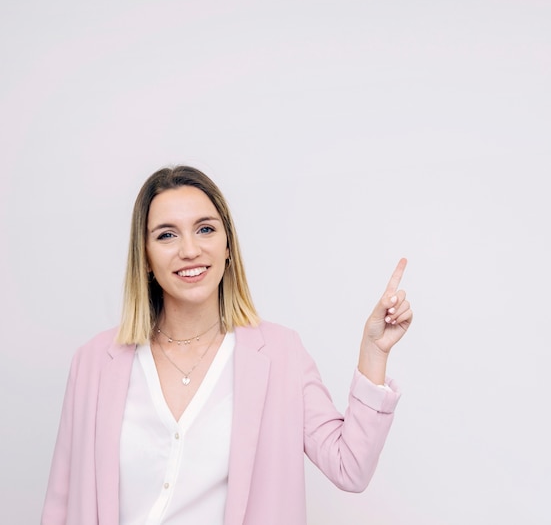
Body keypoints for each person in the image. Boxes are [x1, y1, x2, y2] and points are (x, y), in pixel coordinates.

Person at [41, 165, 413, 525]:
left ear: (228, 246)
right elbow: (62, 503)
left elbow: (350, 467)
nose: (189, 250)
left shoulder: (281, 353)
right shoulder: (93, 362)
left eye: (204, 229)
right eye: (166, 235)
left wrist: (374, 353)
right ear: (146, 258)